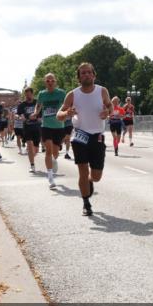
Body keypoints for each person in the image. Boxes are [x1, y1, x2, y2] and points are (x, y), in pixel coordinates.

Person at [56, 63, 112, 216]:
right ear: (79, 77)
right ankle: (86, 203)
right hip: (80, 136)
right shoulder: (72, 94)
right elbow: (59, 115)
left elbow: (110, 106)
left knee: (96, 176)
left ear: (94, 75)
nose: (86, 75)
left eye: (89, 72)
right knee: (82, 170)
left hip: (97, 136)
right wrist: (67, 112)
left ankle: (90, 180)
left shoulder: (102, 91)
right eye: (83, 73)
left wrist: (107, 111)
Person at [34, 74, 67, 188]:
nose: (50, 82)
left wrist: (67, 112)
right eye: (48, 81)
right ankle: (50, 176)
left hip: (59, 126)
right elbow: (38, 105)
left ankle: (54, 161)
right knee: (48, 151)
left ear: (55, 81)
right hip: (46, 125)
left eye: (52, 80)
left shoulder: (61, 93)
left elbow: (66, 105)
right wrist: (35, 112)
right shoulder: (42, 94)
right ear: (45, 82)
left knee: (55, 152)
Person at [17, 88, 41, 172]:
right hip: (27, 128)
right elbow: (19, 115)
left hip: (37, 128)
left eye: (29, 94)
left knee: (36, 149)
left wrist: (40, 118)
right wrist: (21, 117)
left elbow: (41, 114)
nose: (27, 96)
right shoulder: (22, 105)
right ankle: (32, 165)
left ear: (32, 94)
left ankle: (31, 157)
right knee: (29, 145)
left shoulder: (37, 102)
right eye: (26, 94)